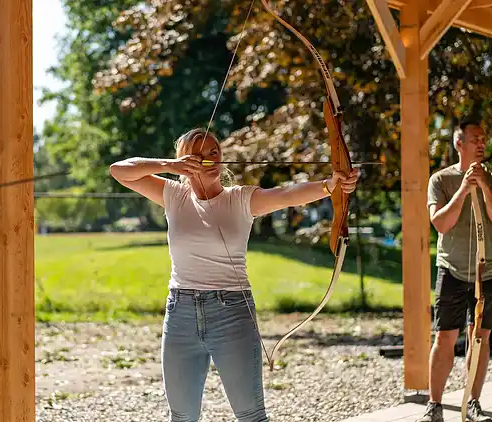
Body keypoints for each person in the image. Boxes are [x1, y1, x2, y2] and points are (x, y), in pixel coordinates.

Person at [109, 128, 359, 422]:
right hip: (180, 314)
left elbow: (287, 194)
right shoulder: (173, 194)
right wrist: (168, 166)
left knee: (251, 416)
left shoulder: (241, 199)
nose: (209, 159)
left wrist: (331, 185)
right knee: (182, 416)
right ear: (184, 161)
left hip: (231, 312)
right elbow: (119, 170)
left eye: (214, 152)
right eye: (199, 155)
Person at [417, 119, 492, 422]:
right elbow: (440, 224)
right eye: (475, 139)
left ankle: (472, 403)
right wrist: (464, 189)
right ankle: (434, 407)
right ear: (459, 144)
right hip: (452, 270)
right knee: (445, 337)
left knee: (479, 338)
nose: (482, 144)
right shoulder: (440, 180)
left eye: (484, 139)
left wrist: (483, 184)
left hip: (489, 271)